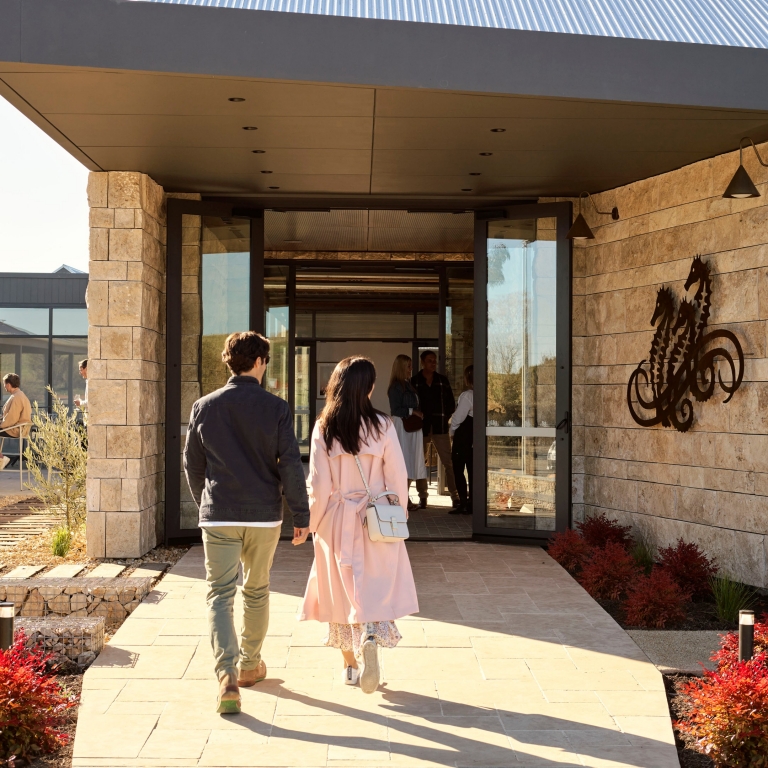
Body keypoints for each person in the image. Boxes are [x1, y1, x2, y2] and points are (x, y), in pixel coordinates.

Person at [184, 331, 310, 715]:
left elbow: (193, 463)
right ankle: (250, 665)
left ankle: (227, 678)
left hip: (219, 513)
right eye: (266, 360)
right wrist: (300, 515)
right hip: (263, 516)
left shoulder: (203, 406)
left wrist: (205, 504)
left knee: (220, 595)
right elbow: (289, 463)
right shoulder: (276, 408)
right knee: (256, 590)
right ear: (258, 362)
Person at [299, 356, 418, 694]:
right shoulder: (383, 425)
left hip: (337, 519)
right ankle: (370, 635)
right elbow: (397, 475)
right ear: (369, 387)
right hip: (378, 518)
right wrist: (400, 512)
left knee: (340, 594)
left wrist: (312, 524)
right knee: (375, 587)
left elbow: (319, 485)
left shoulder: (324, 426)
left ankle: (350, 667)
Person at [410, 350, 460, 511]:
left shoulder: (442, 381)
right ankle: (423, 497)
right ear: (423, 362)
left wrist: (444, 417)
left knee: (449, 462)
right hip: (421, 428)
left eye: (435, 361)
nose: (433, 363)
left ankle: (455, 496)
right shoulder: (414, 381)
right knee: (419, 463)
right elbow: (410, 404)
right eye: (430, 360)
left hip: (440, 426)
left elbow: (451, 403)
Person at [387, 355, 426, 513]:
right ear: (401, 367)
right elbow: (395, 410)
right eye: (408, 366)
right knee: (402, 461)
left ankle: (404, 496)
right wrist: (413, 411)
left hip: (411, 428)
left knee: (409, 462)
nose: (411, 369)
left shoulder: (408, 385)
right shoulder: (395, 387)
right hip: (402, 427)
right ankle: (403, 498)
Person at [449, 365, 473, 515]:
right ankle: (472, 503)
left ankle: (463, 502)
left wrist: (452, 431)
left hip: (463, 436)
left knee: (458, 469)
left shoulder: (467, 395)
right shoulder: (482, 394)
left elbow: (458, 417)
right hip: (473, 438)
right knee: (472, 470)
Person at [0, 373, 32, 471]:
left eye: (4, 384)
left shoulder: (16, 397)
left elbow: (11, 418)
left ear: (8, 384)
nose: (4, 386)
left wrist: (1, 425)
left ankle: (2, 458)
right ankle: (1, 458)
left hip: (16, 429)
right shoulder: (19, 395)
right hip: (19, 428)